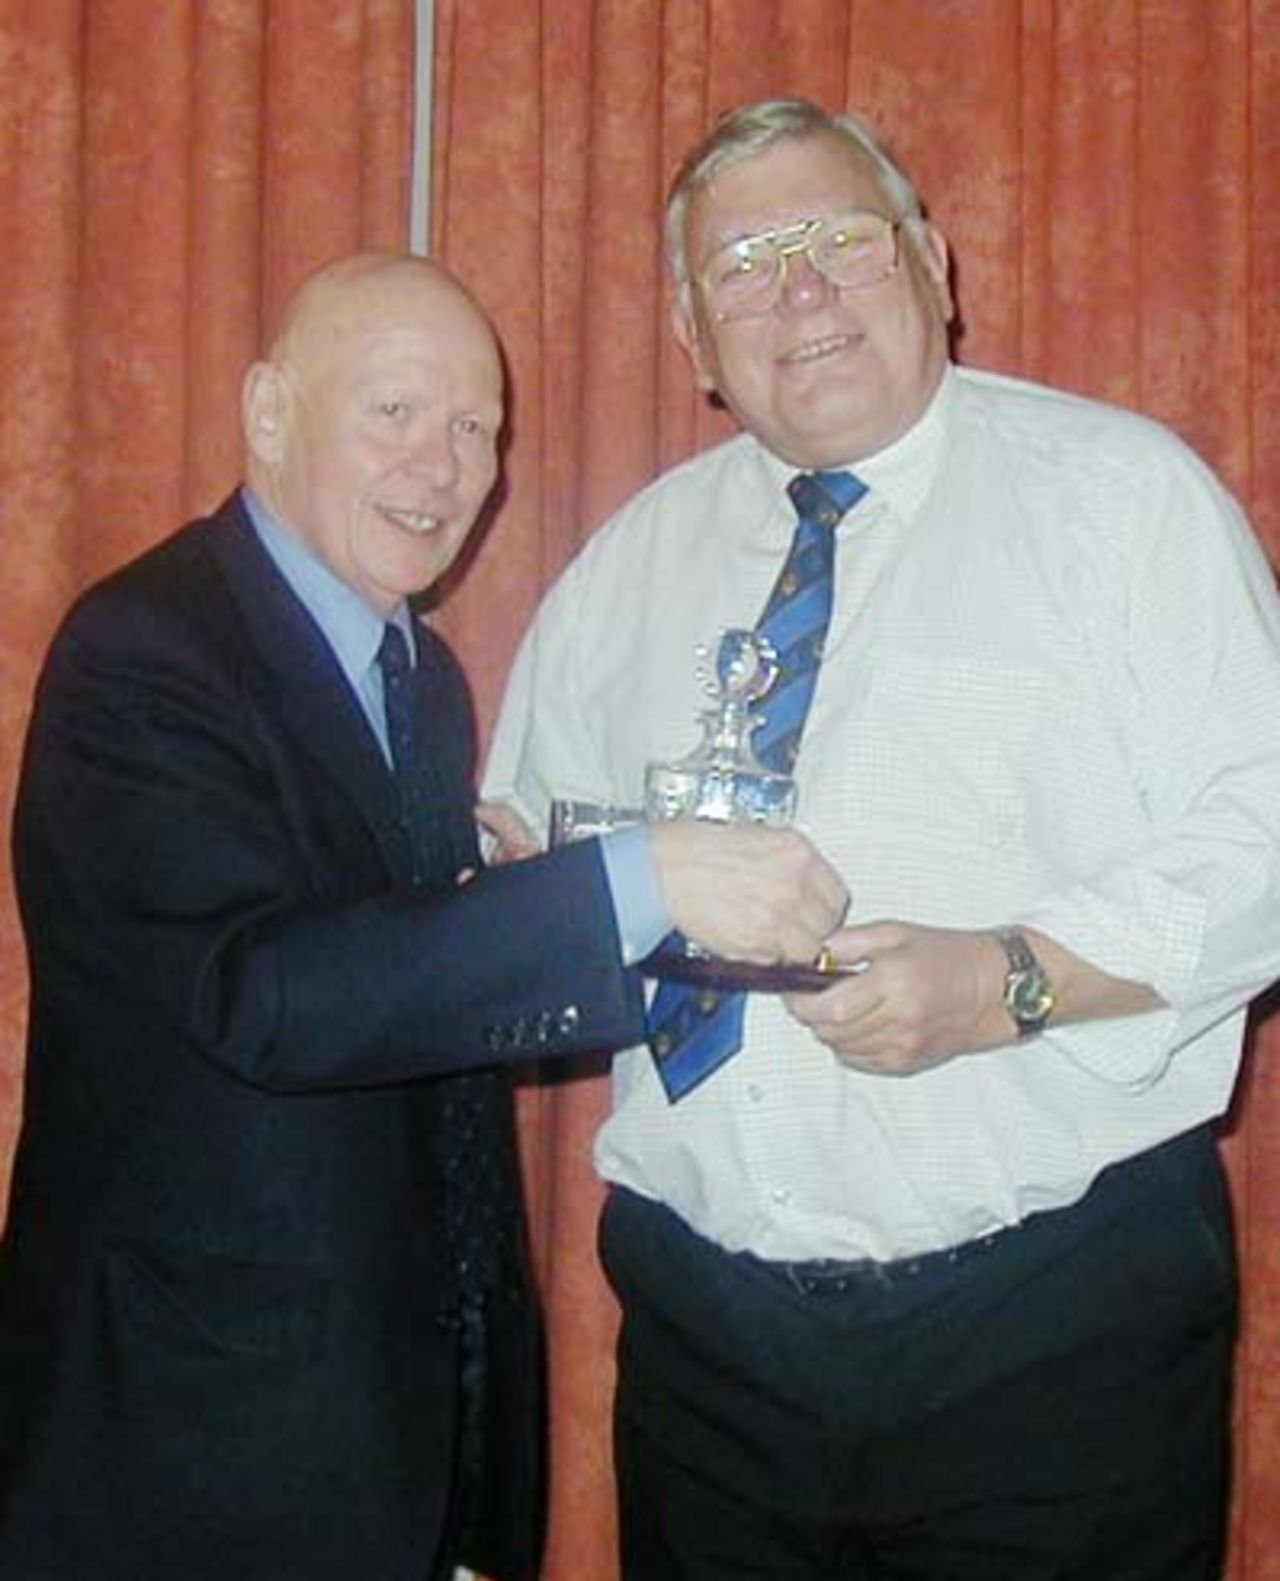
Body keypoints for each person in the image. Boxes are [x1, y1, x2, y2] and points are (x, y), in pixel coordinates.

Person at [485, 99, 1280, 1579]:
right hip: (708, 1360)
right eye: (742, 264)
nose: (798, 292)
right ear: (689, 336)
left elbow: (1266, 844)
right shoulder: (623, 568)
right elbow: (529, 857)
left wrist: (1012, 978)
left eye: (837, 240)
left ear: (931, 261)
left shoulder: (1124, 502)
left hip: (1052, 1349)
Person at [0, 251, 848, 1581]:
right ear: (271, 413)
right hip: (196, 1443)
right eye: (396, 412)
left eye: (477, 431)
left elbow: (404, 1007)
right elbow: (262, 996)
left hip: (406, 1431)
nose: (443, 468)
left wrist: (521, 912)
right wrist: (634, 879)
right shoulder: (146, 652)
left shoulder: (422, 675)